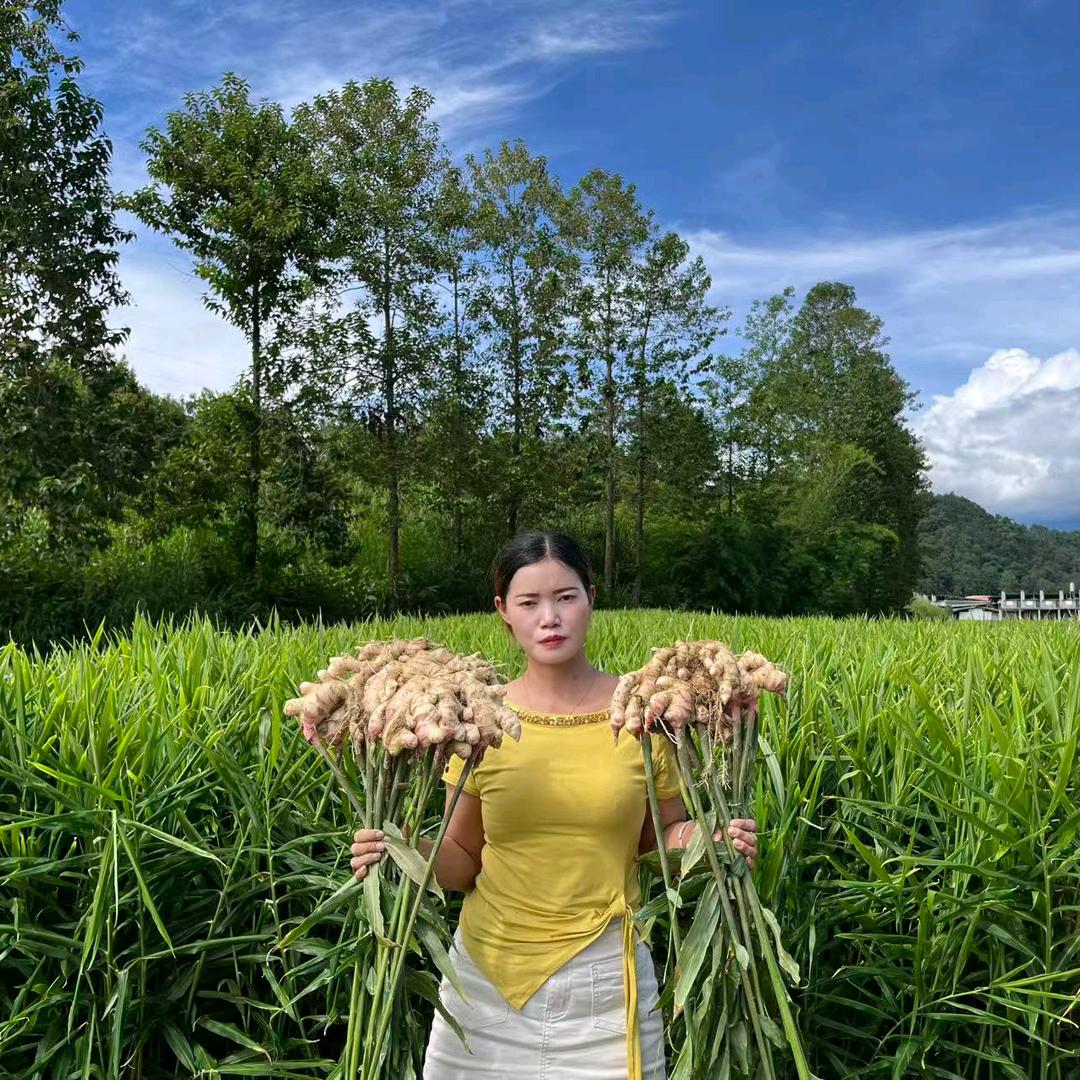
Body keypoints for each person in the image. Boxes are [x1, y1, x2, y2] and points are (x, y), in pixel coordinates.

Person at [348, 531, 758, 1079]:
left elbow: (658, 841)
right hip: (486, 987)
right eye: (529, 602)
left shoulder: (642, 715)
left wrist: (710, 840)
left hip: (606, 986)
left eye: (566, 597)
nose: (550, 618)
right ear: (503, 611)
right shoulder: (479, 722)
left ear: (591, 598)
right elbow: (463, 858)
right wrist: (399, 851)